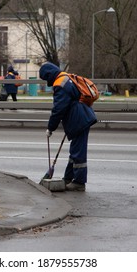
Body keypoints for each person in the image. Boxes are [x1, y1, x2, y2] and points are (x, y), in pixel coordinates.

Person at [39, 62, 97, 191]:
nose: (46, 82)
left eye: (45, 79)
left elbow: (58, 109)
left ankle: (79, 182)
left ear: (49, 75)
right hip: (80, 116)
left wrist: (50, 128)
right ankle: (68, 178)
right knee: (75, 150)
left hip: (78, 119)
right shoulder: (66, 77)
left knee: (78, 153)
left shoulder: (60, 84)